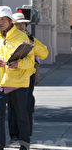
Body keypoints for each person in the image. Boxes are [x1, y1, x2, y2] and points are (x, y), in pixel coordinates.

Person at [0, 6, 35, 150]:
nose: (0, 22)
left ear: (10, 20)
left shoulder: (22, 37)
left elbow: (30, 62)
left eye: (3, 19)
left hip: (18, 84)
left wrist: (18, 64)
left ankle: (24, 145)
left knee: (21, 115)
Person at [8, 12, 49, 141]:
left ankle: (26, 133)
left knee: (27, 105)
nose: (20, 27)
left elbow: (44, 54)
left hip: (27, 76)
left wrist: (32, 44)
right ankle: (14, 134)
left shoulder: (30, 38)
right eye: (17, 24)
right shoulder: (9, 38)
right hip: (12, 76)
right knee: (13, 106)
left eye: (22, 24)